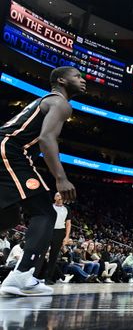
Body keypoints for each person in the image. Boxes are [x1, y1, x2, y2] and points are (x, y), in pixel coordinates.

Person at [0, 66, 83, 297]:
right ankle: (23, 276)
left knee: (9, 216)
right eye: (77, 76)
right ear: (61, 80)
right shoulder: (60, 103)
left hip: (7, 148)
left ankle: (23, 276)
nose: (83, 80)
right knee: (45, 212)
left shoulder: (46, 101)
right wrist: (61, 178)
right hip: (10, 149)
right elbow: (47, 138)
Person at [35, 192, 71, 285]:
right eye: (58, 195)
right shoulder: (50, 207)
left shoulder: (67, 208)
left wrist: (67, 237)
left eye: (62, 195)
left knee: (53, 256)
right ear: (55, 198)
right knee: (41, 254)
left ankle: (48, 278)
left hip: (59, 232)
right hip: (48, 230)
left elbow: (68, 223)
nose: (60, 197)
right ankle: (35, 276)